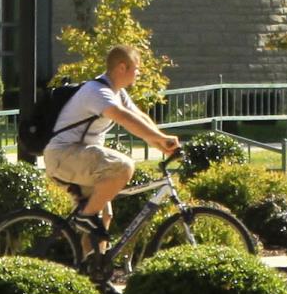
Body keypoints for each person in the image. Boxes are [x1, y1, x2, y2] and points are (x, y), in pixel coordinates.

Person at [41, 44, 182, 250]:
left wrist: (162, 144)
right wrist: (162, 137)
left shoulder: (118, 92)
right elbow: (124, 118)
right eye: (136, 68)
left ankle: (91, 273)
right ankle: (85, 217)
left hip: (79, 156)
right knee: (123, 166)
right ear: (121, 68)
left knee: (105, 215)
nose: (139, 73)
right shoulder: (96, 91)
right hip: (64, 155)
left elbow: (138, 117)